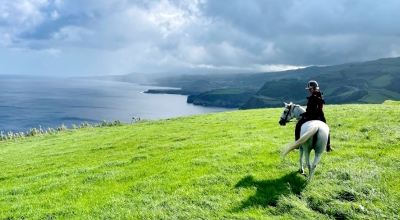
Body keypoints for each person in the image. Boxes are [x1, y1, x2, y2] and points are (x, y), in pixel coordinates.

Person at [295, 80, 332, 152]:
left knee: (298, 125)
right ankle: (328, 146)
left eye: (310, 89)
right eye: (309, 89)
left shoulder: (317, 96)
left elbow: (314, 109)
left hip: (315, 115)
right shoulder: (316, 95)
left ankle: (297, 144)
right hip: (316, 115)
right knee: (326, 127)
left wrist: (306, 114)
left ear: (315, 88)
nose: (309, 90)